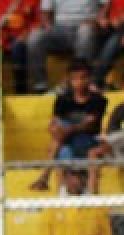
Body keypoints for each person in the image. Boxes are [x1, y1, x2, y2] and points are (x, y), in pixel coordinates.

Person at [30, 58, 107, 190]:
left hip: (88, 141)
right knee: (61, 143)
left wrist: (68, 129)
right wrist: (56, 129)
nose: (80, 82)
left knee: (61, 132)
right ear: (69, 80)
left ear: (89, 78)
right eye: (75, 78)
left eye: (84, 78)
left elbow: (89, 125)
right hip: (66, 143)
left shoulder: (98, 100)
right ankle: (62, 188)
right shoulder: (63, 99)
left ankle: (44, 177)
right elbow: (53, 124)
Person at [41, 167, 110, 235]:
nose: (77, 180)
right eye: (73, 175)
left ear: (86, 178)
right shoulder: (52, 207)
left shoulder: (97, 207)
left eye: (81, 175)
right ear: (64, 177)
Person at [26, 0, 100, 92]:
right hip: (59, 28)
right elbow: (45, 11)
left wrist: (96, 21)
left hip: (88, 25)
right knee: (35, 37)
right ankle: (40, 85)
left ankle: (79, 81)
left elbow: (104, 6)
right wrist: (47, 26)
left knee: (85, 31)